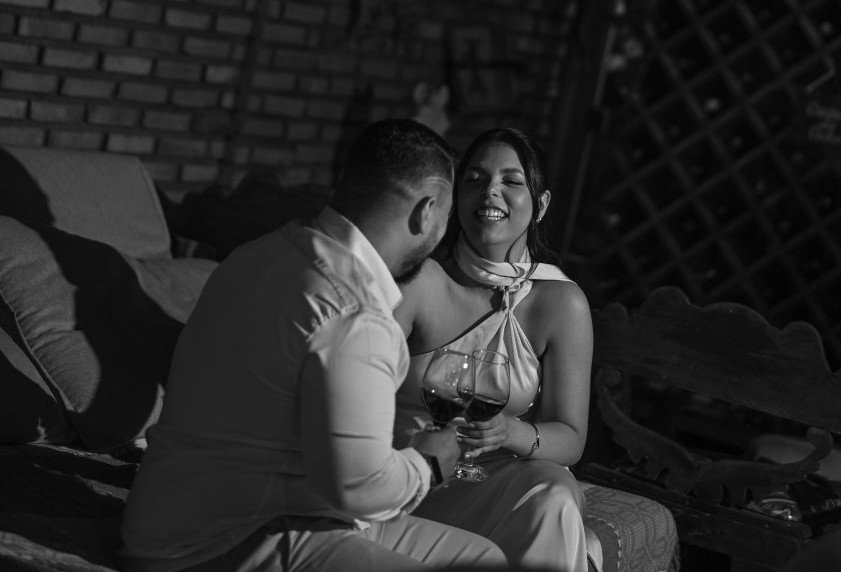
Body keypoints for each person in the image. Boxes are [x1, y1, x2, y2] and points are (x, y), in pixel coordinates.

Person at [119, 119, 506, 572]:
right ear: (427, 210)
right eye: (446, 217)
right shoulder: (356, 313)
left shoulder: (256, 254)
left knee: (484, 558)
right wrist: (429, 463)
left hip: (181, 514)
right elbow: (359, 486)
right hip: (225, 539)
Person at [393, 127, 603, 571]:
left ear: (540, 205)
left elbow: (571, 437)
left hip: (494, 477)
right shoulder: (420, 281)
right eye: (475, 178)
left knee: (552, 493)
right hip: (409, 468)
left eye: (511, 181)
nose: (490, 190)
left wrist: (511, 433)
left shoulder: (559, 302)